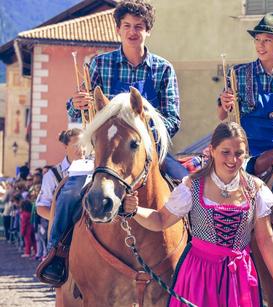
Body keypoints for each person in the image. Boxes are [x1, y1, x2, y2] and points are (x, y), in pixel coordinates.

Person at [123, 122, 273, 306]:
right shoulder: (193, 185)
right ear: (212, 150)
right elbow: (160, 220)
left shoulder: (255, 189)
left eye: (239, 153)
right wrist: (135, 210)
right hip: (199, 275)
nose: (232, 159)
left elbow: (265, 238)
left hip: (239, 279)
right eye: (225, 152)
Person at [67, 0, 187, 180]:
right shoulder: (100, 64)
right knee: (70, 195)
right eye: (127, 26)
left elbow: (172, 119)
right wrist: (77, 104)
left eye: (139, 26)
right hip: (105, 153)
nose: (132, 32)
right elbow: (75, 112)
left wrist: (141, 135)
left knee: (187, 187)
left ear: (148, 31)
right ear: (118, 29)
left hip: (150, 151)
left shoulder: (164, 69)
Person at [218, 13, 273, 174]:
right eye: (257, 39)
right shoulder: (238, 73)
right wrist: (224, 103)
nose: (260, 45)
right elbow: (222, 115)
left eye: (267, 40)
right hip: (244, 152)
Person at [36, 128, 86, 284]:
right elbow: (41, 207)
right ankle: (56, 255)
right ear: (65, 147)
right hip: (66, 234)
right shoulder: (53, 175)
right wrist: (57, 217)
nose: (82, 149)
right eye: (76, 144)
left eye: (84, 144)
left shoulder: (96, 168)